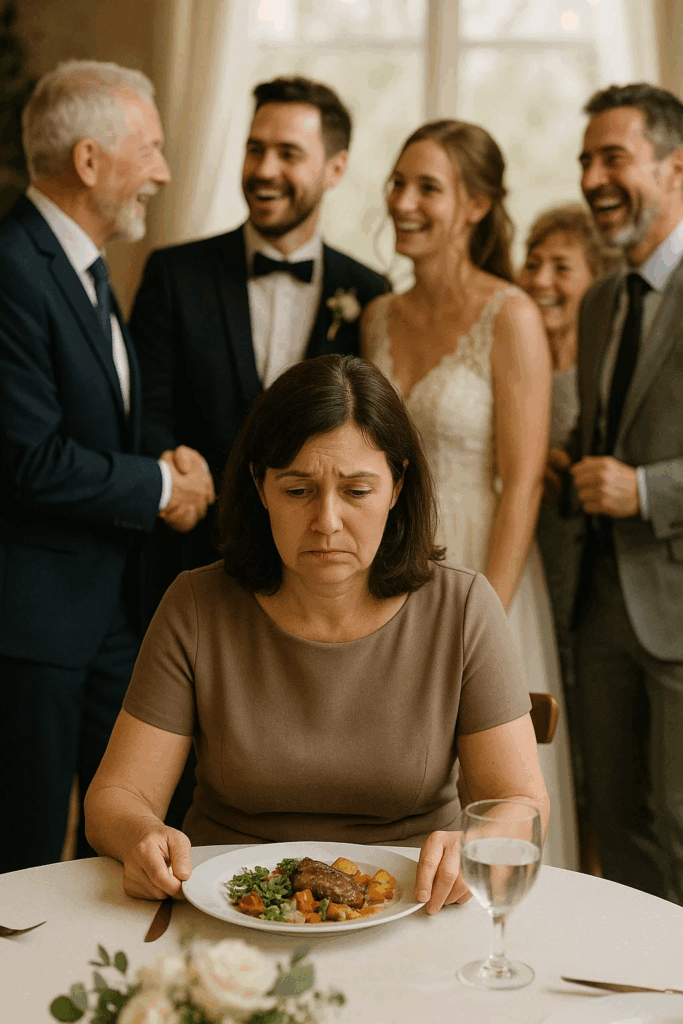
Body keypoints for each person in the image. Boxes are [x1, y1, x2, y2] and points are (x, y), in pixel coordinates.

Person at [85, 354, 549, 912]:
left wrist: (472, 844)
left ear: (397, 486)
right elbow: (116, 797)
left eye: (356, 491)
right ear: (259, 485)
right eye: (298, 490)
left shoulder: (465, 607)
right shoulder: (196, 605)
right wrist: (141, 835)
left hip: (415, 909)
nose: (327, 521)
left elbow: (522, 805)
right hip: (228, 911)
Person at [0, 60, 214, 871]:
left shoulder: (87, 269)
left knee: (118, 850)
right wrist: (163, 487)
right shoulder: (13, 267)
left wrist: (159, 466)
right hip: (32, 631)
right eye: (150, 150)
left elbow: (82, 428)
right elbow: (31, 461)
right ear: (89, 161)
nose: (161, 172)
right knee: (20, 863)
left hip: (106, 620)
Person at [361, 120, 578, 870]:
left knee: (490, 782)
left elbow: (520, 483)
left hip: (488, 564)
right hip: (391, 566)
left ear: (477, 204)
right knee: (402, 760)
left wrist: (488, 609)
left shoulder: (510, 315)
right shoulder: (377, 316)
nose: (404, 201)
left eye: (428, 187)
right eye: (398, 182)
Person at [129, 75, 389, 620]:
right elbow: (145, 411)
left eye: (288, 153)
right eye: (255, 149)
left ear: (335, 168)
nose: (264, 170)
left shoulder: (370, 293)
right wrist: (173, 465)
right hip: (191, 564)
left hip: (322, 576)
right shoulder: (174, 274)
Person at [546, 83, 683, 903]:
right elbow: (606, 433)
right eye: (584, 161)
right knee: (618, 826)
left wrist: (648, 491)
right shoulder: (598, 303)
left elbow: (641, 471)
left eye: (613, 158)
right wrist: (567, 463)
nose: (592, 178)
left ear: (674, 168)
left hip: (676, 604)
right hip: (594, 609)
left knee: (678, 817)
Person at [519, 204, 621, 871]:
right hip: (533, 563)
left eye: (562, 267)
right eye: (533, 261)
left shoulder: (606, 364)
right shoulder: (514, 348)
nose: (542, 280)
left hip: (588, 570)